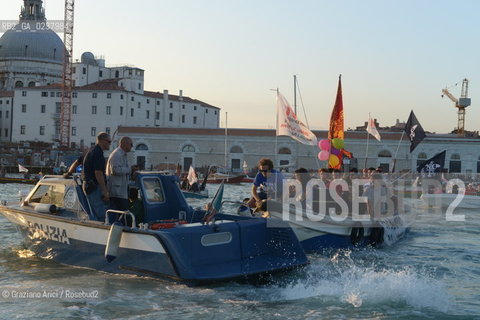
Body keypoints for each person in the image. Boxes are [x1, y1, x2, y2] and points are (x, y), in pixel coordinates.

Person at [82, 132, 111, 220]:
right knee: (100, 214)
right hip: (93, 186)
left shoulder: (92, 150)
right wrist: (105, 191)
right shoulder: (98, 152)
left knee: (95, 212)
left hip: (89, 184)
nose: (110, 144)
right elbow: (98, 173)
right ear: (102, 141)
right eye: (109, 141)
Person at [106, 136, 134, 211]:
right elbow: (115, 170)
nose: (132, 146)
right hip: (117, 192)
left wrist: (131, 170)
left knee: (122, 212)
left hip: (121, 190)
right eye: (131, 144)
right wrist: (130, 169)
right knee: (122, 212)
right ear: (124, 144)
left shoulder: (122, 155)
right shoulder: (117, 154)